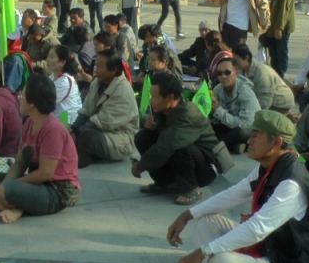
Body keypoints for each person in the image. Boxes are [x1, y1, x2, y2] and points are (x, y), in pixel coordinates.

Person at [167, 111, 309, 263]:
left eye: (255, 136)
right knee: (205, 221)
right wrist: (188, 214)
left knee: (221, 262)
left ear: (276, 143)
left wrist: (203, 252)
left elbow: (256, 229)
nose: (249, 140)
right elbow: (233, 194)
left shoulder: (291, 183)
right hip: (267, 246)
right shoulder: (268, 167)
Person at [0, 73, 81, 224]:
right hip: (38, 183)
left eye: (22, 95)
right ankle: (14, 206)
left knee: (2, 191)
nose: (18, 97)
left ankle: (14, 206)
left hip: (57, 191)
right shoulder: (29, 122)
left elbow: (45, 174)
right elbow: (20, 162)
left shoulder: (52, 129)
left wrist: (10, 186)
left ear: (32, 103)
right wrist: (7, 183)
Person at [134, 72, 220, 205]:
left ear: (170, 97)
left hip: (207, 167)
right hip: (185, 159)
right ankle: (168, 183)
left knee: (179, 146)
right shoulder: (164, 110)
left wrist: (140, 165)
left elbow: (166, 146)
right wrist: (150, 125)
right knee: (143, 137)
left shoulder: (188, 114)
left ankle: (192, 188)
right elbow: (160, 136)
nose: (151, 101)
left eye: (155, 97)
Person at [70, 50, 139, 167]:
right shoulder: (96, 82)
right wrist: (73, 130)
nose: (95, 70)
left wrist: (76, 135)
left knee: (86, 136)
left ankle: (81, 158)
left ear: (113, 70)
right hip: (98, 130)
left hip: (118, 138)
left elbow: (103, 121)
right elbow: (85, 110)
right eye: (95, 65)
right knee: (70, 132)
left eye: (99, 66)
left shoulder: (123, 90)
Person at [209, 54, 260, 153]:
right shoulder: (217, 89)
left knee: (240, 133)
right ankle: (234, 145)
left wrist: (219, 111)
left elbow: (245, 125)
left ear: (236, 73)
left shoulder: (246, 93)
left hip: (248, 129)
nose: (223, 76)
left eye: (227, 72)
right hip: (228, 127)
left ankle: (216, 146)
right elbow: (215, 120)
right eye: (219, 73)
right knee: (207, 126)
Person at [230, 44, 294, 115]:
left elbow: (266, 98)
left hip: (279, 104)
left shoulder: (261, 72)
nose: (233, 63)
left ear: (246, 58)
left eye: (235, 60)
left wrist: (252, 113)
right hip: (267, 102)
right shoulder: (242, 71)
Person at [262, 0, 295, 78]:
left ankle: (280, 76)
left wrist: (279, 28)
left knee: (281, 55)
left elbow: (283, 11)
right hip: (273, 28)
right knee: (273, 55)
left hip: (281, 29)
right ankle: (275, 75)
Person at [46, 45, 83, 122]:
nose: (47, 60)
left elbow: (44, 102)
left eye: (52, 57)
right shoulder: (52, 76)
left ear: (62, 62)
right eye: (48, 56)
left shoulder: (65, 82)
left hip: (66, 123)